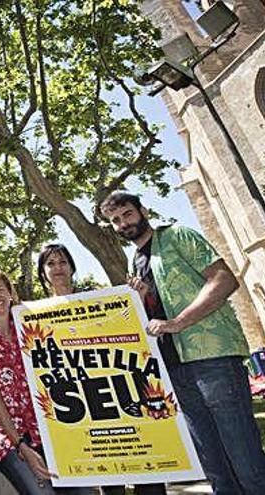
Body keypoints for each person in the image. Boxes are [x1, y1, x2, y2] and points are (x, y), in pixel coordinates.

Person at [100, 191, 265, 494]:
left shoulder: (178, 235)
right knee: (216, 470)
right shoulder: (135, 264)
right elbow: (155, 316)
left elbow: (224, 279)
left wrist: (178, 323)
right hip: (175, 371)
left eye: (127, 214)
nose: (124, 223)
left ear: (142, 210)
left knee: (248, 465)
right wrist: (142, 301)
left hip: (213, 360)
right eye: (116, 221)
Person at [37, 244, 166, 495]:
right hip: (84, 408)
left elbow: (130, 328)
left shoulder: (99, 299)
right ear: (43, 273)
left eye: (63, 262)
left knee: (149, 479)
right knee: (111, 484)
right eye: (51, 263)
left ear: (72, 267)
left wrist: (137, 300)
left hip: (122, 394)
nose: (58, 268)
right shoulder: (33, 316)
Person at [0, 269, 91, 495]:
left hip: (44, 426)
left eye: (0, 290)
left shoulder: (31, 327)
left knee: (81, 491)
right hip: (6, 433)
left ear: (10, 293)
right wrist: (21, 446)